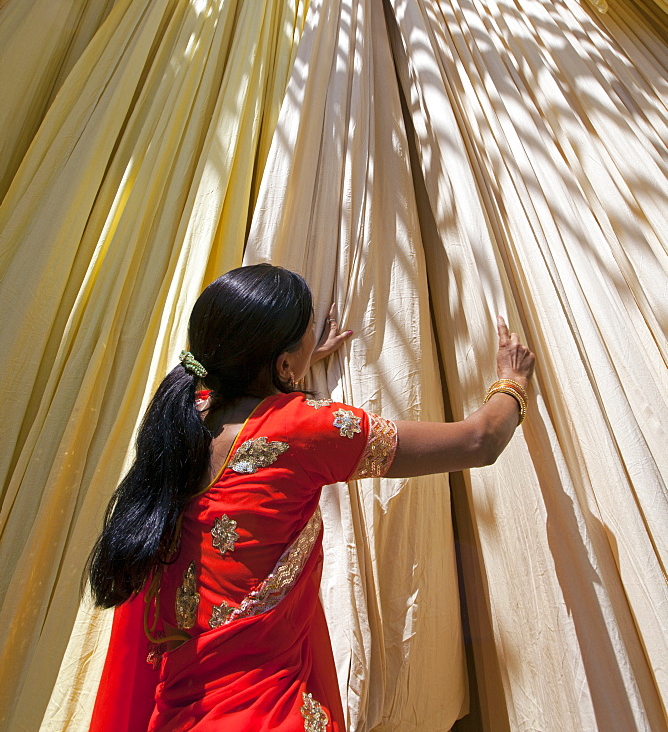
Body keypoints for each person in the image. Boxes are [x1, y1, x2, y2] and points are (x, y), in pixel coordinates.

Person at [87, 263, 535, 732]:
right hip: (266, 713)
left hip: (179, 713)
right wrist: (513, 381)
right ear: (280, 363)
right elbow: (479, 441)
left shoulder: (182, 421)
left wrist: (292, 364)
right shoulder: (304, 427)